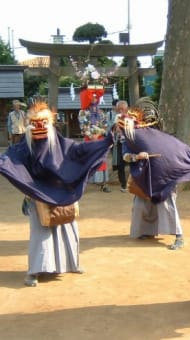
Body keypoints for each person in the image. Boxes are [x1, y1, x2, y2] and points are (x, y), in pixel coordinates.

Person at [0, 98, 115, 286]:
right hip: (38, 196)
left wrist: (108, 140)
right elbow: (9, 159)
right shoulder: (23, 147)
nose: (39, 126)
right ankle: (35, 270)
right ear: (28, 124)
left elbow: (82, 150)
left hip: (63, 193)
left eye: (43, 122)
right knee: (40, 233)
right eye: (34, 123)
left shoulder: (63, 144)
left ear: (51, 123)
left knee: (68, 229)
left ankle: (72, 264)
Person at [119, 98, 190, 250]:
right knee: (141, 204)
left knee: (167, 204)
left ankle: (179, 236)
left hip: (163, 175)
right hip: (144, 175)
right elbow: (125, 156)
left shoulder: (157, 135)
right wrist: (137, 156)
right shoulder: (130, 137)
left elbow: (175, 149)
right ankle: (148, 231)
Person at [78, 94, 111, 192]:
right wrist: (91, 136)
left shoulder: (101, 112)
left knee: (102, 161)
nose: (94, 99)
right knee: (88, 161)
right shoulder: (83, 112)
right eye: (92, 97)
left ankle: (103, 184)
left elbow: (105, 125)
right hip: (89, 140)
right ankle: (82, 185)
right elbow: (82, 126)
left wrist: (98, 134)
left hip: (100, 139)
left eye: (96, 97)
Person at [111, 100, 128, 192]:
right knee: (121, 165)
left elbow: (117, 129)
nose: (118, 110)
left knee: (123, 164)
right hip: (122, 143)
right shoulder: (118, 116)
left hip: (127, 143)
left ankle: (125, 184)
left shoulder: (129, 116)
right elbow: (116, 129)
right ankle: (124, 185)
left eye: (120, 108)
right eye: (118, 108)